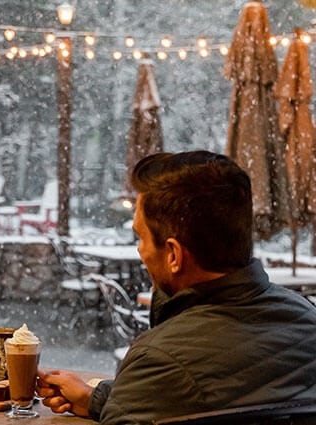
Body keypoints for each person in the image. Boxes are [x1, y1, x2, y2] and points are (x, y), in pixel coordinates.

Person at [37, 150, 316, 424]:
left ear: (173, 255)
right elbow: (234, 393)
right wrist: (100, 400)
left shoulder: (159, 360)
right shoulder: (307, 320)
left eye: (141, 237)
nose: (140, 251)